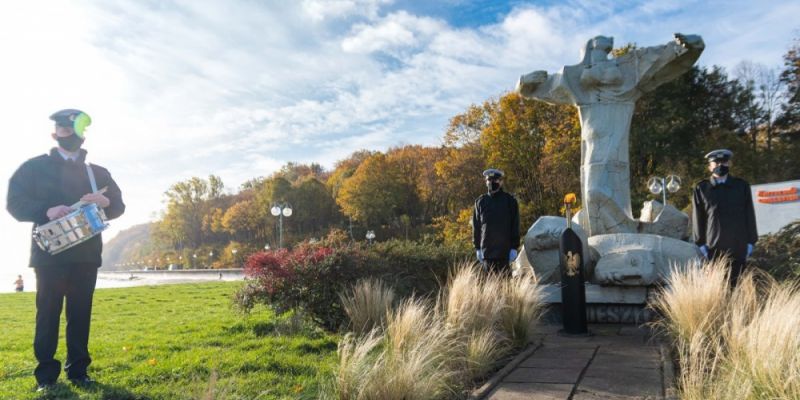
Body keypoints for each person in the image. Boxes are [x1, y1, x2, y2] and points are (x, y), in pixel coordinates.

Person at [6, 109, 125, 392]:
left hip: (86, 255)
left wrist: (105, 201)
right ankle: (46, 377)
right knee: (47, 313)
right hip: (48, 255)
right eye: (63, 129)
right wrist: (45, 210)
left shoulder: (98, 172)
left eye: (74, 129)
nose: (69, 134)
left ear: (83, 134)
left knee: (80, 313)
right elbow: (14, 203)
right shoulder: (32, 168)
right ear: (54, 133)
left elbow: (119, 206)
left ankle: (79, 371)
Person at [691, 149, 758, 287]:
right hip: (713, 249)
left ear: (729, 163)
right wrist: (701, 244)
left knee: (737, 287)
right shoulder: (702, 188)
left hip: (738, 247)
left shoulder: (741, 186)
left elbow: (749, 214)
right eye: (716, 162)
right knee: (717, 289)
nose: (720, 165)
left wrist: (751, 242)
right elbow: (698, 218)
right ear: (710, 166)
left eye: (724, 162)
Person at [472, 169, 520, 275]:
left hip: (504, 252)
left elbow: (515, 225)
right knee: (489, 287)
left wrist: (514, 247)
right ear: (486, 182)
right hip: (487, 252)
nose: (492, 183)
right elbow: (476, 227)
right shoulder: (480, 202)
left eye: (495, 180)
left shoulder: (510, 201)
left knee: (505, 286)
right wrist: (477, 248)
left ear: (501, 182)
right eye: (489, 180)